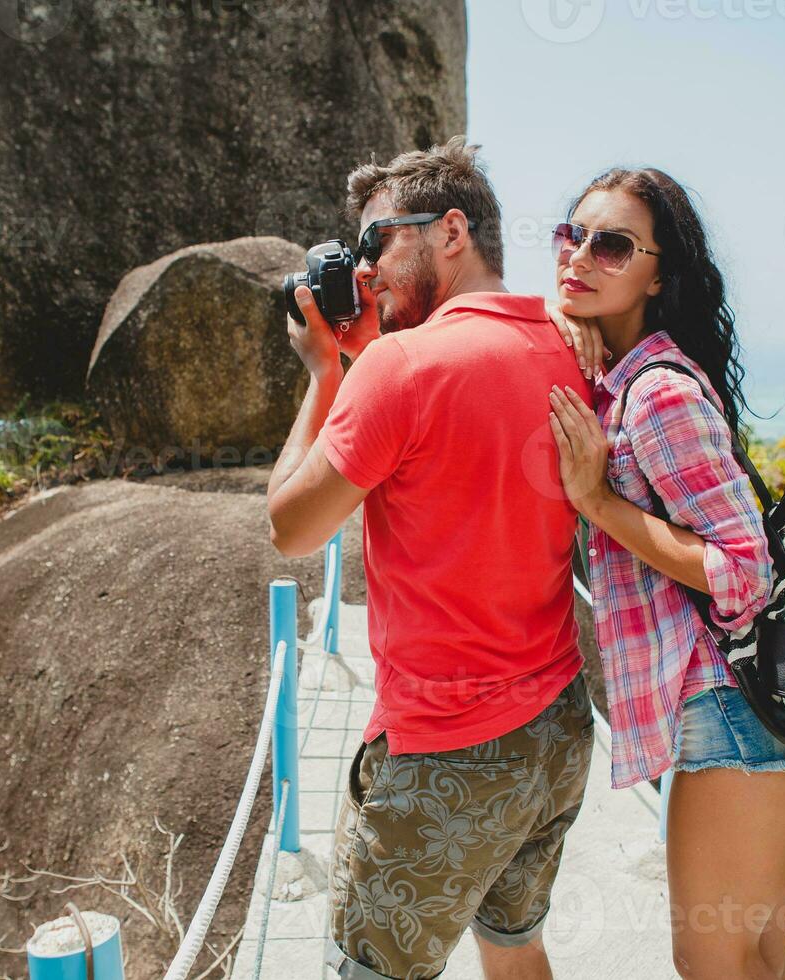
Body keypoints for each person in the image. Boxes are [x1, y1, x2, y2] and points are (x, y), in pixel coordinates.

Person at [266, 136, 594, 980]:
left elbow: (291, 527)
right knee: (514, 945)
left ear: (452, 231)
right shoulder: (565, 345)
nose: (364, 270)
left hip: (447, 751)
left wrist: (325, 374)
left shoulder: (399, 370)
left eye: (377, 241)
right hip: (556, 726)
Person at [542, 167, 785, 980]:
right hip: (759, 709)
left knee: (712, 961)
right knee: (756, 953)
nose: (581, 255)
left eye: (612, 245)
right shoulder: (633, 380)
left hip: (735, 708)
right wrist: (561, 314)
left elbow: (741, 573)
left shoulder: (656, 394)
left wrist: (594, 500)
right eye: (570, 234)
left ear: (658, 275)